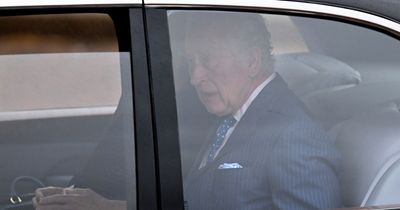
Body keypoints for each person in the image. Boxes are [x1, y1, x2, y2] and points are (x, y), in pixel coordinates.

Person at [180, 12, 342, 210]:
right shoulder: (229, 112)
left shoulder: (294, 134)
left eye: (208, 59)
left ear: (252, 61)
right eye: (190, 62)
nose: (195, 78)